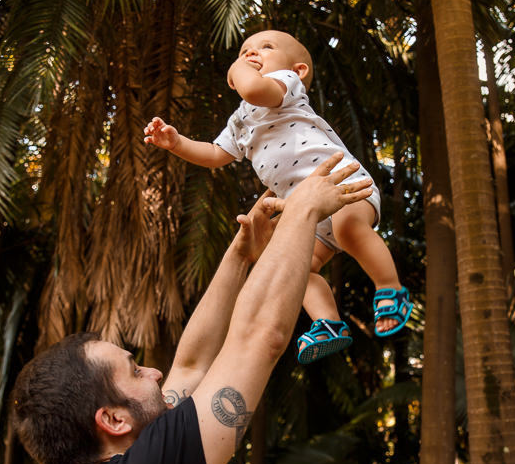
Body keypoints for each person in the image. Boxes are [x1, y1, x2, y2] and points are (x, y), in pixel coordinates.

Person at [11, 154, 372, 464]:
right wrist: (303, 212)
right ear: (112, 421)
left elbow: (193, 363)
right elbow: (260, 338)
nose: (154, 372)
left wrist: (239, 255)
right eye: (136, 372)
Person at [143, 29, 411, 364]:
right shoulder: (241, 120)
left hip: (341, 186)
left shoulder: (286, 85)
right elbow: (214, 154)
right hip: (308, 211)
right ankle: (328, 321)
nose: (252, 54)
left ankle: (390, 288)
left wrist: (239, 68)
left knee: (347, 230)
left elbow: (255, 89)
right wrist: (177, 143)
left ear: (299, 70)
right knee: (297, 265)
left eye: (265, 48)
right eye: (245, 50)